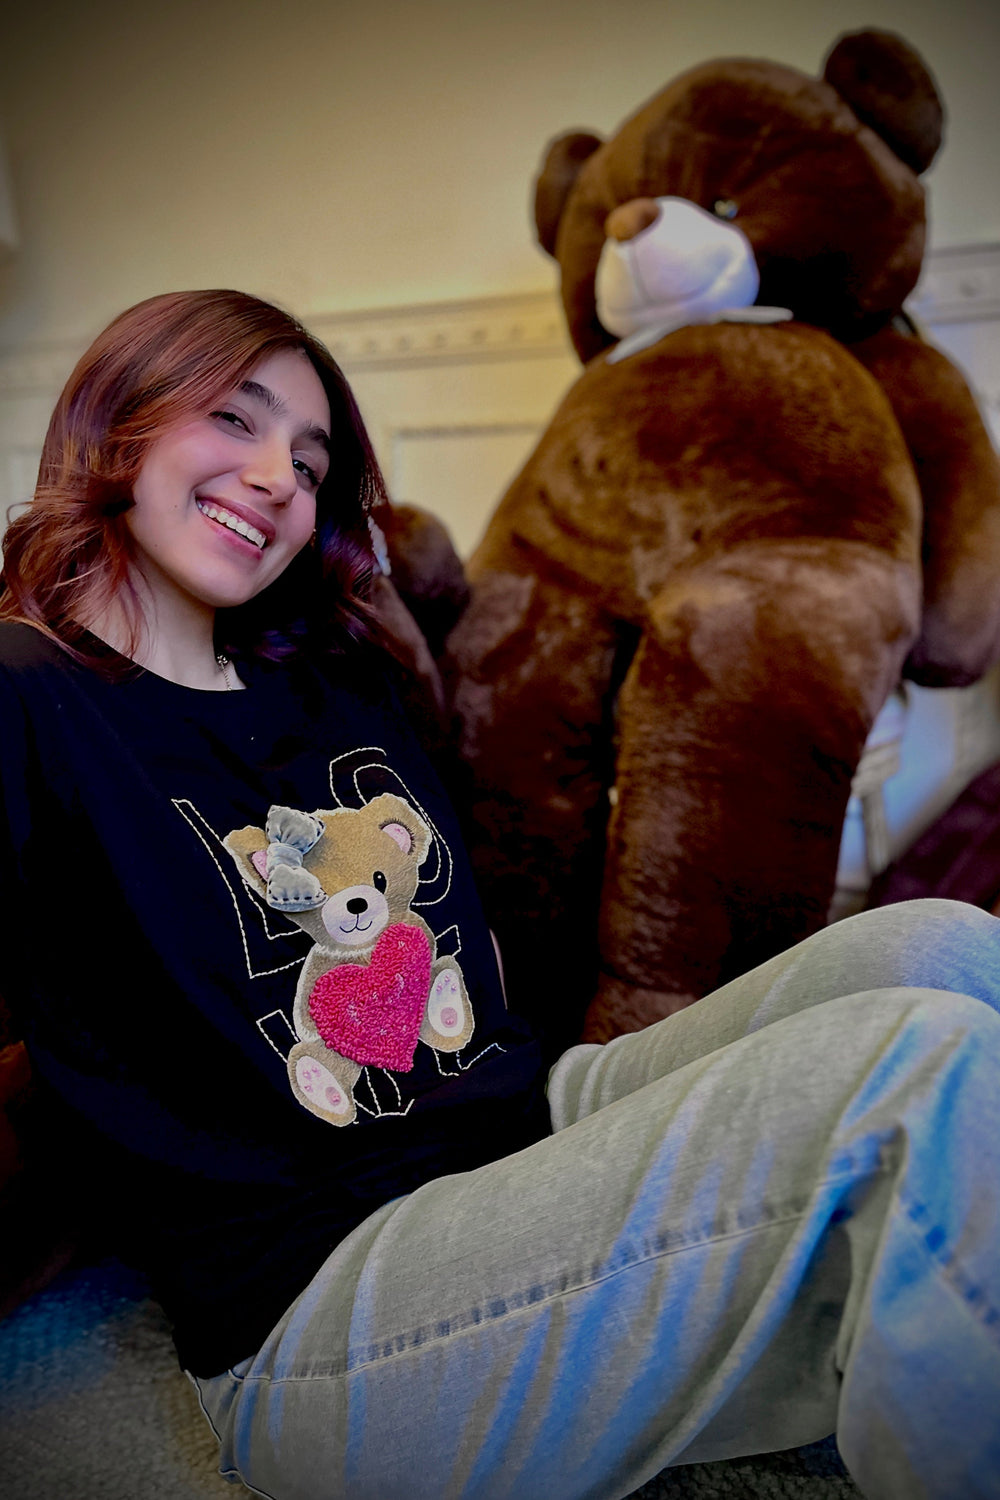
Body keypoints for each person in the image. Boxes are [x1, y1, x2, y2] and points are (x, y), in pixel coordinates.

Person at [0, 289, 997, 1500]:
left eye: (309, 462)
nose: (275, 478)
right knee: (917, 1071)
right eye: (235, 419)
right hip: (322, 1296)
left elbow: (458, 948)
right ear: (120, 416)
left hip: (523, 1121)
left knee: (947, 951)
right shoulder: (27, 690)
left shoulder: (327, 674)